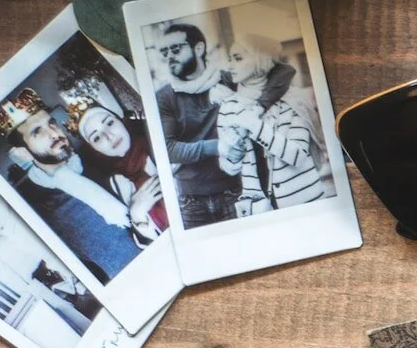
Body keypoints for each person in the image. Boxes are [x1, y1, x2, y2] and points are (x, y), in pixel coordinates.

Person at [0, 87, 141, 280]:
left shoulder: (95, 154)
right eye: (37, 132)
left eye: (51, 123)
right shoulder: (45, 210)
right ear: (23, 153)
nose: (54, 133)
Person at [148, 21, 239, 227]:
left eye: (176, 49)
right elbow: (168, 149)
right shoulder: (164, 97)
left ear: (198, 48)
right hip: (191, 201)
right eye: (164, 52)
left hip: (235, 189)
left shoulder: (228, 80)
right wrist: (217, 146)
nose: (169, 56)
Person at [218, 55, 333, 213]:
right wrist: (233, 151)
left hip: (304, 203)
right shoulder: (228, 106)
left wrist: (255, 125)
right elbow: (229, 168)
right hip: (259, 210)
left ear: (261, 61)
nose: (229, 65)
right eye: (229, 58)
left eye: (238, 58)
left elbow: (297, 156)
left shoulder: (292, 100)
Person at [63, 78, 167, 242]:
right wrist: (137, 215)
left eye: (110, 123)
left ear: (120, 120)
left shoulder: (161, 135)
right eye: (96, 137)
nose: (109, 136)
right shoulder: (113, 185)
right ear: (94, 149)